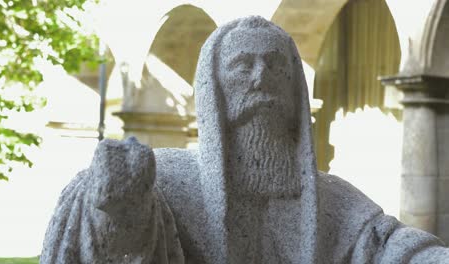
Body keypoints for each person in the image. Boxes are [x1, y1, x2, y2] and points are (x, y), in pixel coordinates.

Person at [41, 16, 449, 264]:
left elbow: (391, 246)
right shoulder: (167, 181)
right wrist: (113, 208)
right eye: (243, 66)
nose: (260, 79)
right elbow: (124, 246)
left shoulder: (334, 201)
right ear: (214, 90)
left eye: (275, 68)